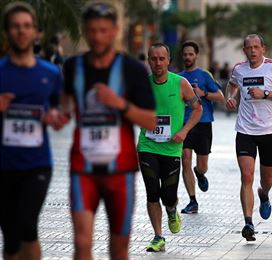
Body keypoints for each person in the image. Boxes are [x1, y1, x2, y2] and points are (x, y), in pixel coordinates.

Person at [61, 2, 157, 259]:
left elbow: (150, 121)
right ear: (84, 30)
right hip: (83, 170)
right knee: (81, 243)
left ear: (115, 30)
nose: (97, 36)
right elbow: (65, 107)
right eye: (92, 30)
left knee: (119, 248)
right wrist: (58, 115)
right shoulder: (73, 68)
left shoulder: (132, 70)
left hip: (121, 172)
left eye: (103, 30)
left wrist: (120, 104)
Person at [0, 2, 67, 259]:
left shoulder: (50, 73)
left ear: (35, 32)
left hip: (37, 165)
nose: (21, 31)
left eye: (27, 26)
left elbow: (59, 111)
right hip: (4, 165)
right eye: (15, 26)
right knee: (10, 237)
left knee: (28, 225)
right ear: (7, 32)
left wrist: (56, 117)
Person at [225, 34, 272, 241]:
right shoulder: (239, 69)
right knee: (246, 175)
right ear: (244, 50)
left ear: (263, 49)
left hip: (269, 131)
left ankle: (264, 194)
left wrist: (265, 94)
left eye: (256, 47)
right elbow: (232, 85)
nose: (253, 51)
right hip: (245, 130)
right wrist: (231, 97)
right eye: (249, 47)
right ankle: (248, 222)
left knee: (267, 180)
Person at [138, 43, 202, 252]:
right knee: (152, 192)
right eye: (153, 59)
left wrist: (184, 131)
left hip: (172, 149)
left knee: (168, 194)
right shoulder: (142, 84)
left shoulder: (181, 83)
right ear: (148, 61)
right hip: (147, 146)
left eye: (161, 59)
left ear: (168, 61)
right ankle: (158, 236)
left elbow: (197, 109)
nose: (157, 63)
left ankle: (172, 209)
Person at [178, 40, 224, 214]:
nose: (188, 57)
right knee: (185, 160)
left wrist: (203, 93)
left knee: (202, 165)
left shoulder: (204, 75)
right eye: (185, 54)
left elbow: (220, 96)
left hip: (204, 123)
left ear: (196, 55)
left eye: (191, 54)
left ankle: (200, 172)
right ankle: (192, 201)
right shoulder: (178, 78)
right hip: (185, 124)